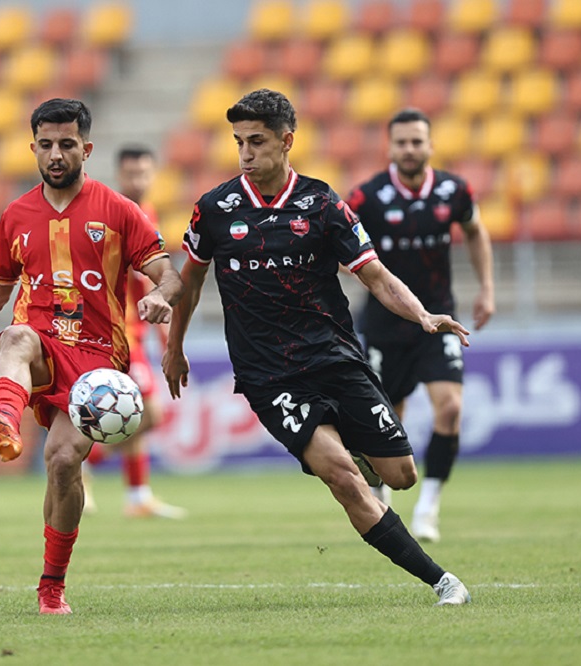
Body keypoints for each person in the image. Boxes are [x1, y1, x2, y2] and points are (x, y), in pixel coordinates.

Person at [162, 89, 472, 606]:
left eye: (257, 141)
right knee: (344, 479)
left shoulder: (323, 203)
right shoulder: (214, 209)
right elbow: (190, 282)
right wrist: (175, 347)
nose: (245, 153)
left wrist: (421, 314)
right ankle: (443, 582)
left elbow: (375, 276)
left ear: (286, 141)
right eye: (239, 142)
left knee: (401, 476)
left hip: (334, 357)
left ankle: (356, 448)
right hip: (269, 375)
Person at [0, 98, 183, 615]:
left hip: (98, 359)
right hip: (42, 344)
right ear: (33, 148)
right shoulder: (16, 215)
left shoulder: (119, 210)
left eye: (66, 144)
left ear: (86, 149)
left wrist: (162, 295)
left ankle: (52, 586)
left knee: (63, 461)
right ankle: (4, 422)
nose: (55, 154)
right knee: (15, 337)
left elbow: (169, 273)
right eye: (46, 145)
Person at [346, 108, 495, 543]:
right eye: (402, 142)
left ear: (430, 145)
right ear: (390, 147)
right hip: (384, 324)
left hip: (439, 318)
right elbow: (341, 247)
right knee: (389, 418)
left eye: (417, 141)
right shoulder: (367, 198)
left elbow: (475, 231)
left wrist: (487, 288)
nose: (409, 149)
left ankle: (428, 507)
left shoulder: (454, 190)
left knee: (450, 407)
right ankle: (381, 495)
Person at [82, 145, 187, 520]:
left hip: (135, 333)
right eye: (130, 174)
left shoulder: (148, 214)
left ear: (153, 175)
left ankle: (136, 494)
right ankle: (83, 462)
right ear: (119, 175)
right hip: (117, 334)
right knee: (149, 414)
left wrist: (164, 338)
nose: (137, 180)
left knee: (134, 414)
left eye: (143, 173)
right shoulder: (113, 218)